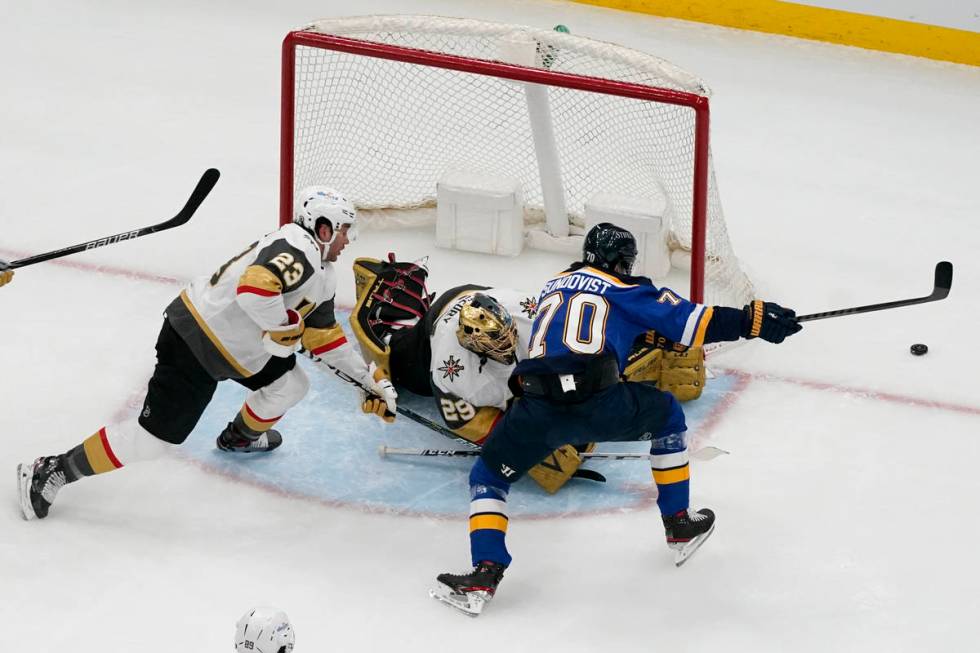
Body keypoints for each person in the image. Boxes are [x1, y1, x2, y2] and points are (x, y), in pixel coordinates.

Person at [431, 222, 803, 616]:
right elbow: (694, 322)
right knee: (668, 414)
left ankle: (484, 572)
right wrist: (752, 321)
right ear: (622, 263)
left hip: (537, 407)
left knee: (488, 478)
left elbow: (580, 331)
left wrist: (642, 335)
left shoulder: (553, 285)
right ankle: (678, 523)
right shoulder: (627, 289)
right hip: (600, 401)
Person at [16, 186, 398, 521]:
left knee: (291, 384)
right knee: (152, 441)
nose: (349, 239)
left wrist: (367, 381)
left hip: (239, 347)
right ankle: (54, 469)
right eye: (346, 230)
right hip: (195, 339)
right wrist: (282, 327)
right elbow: (255, 289)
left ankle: (240, 437)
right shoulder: (298, 246)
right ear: (324, 227)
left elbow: (323, 336)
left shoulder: (322, 271)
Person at [349, 257, 705, 493]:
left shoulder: (525, 313)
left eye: (507, 338)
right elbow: (464, 422)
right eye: (497, 345)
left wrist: (642, 343)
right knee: (395, 362)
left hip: (480, 294)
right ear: (476, 347)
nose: (507, 346)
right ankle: (387, 294)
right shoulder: (449, 369)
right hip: (429, 334)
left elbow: (586, 337)